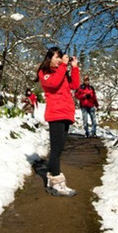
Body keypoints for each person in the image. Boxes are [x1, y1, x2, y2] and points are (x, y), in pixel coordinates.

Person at [35, 46, 80, 197]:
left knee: (59, 148)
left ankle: (51, 178)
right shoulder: (44, 73)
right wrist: (63, 66)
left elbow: (75, 86)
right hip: (55, 114)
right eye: (57, 57)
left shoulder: (61, 72)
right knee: (56, 149)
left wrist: (74, 68)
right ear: (49, 58)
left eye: (61, 57)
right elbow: (53, 84)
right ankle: (57, 183)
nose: (60, 60)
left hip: (66, 113)